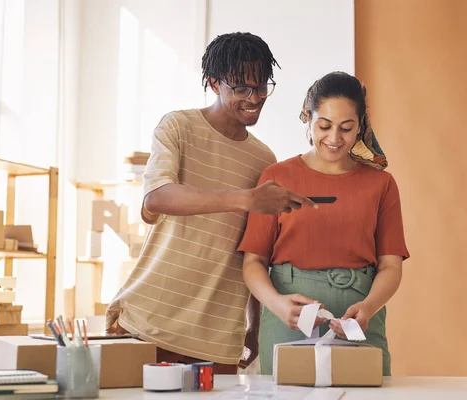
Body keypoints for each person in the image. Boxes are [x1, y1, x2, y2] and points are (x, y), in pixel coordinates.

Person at [105, 32, 316, 374]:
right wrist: (246, 199)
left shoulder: (263, 158)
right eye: (241, 88)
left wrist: (254, 326)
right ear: (214, 84)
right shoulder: (178, 126)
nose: (254, 97)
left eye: (261, 86)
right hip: (151, 322)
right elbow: (158, 196)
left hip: (218, 339)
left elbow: (254, 253)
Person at [237, 71, 410, 376]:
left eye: (346, 128)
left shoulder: (381, 185)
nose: (334, 138)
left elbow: (391, 267)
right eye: (324, 125)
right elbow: (253, 262)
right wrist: (277, 306)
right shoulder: (276, 178)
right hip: (287, 320)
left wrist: (368, 308)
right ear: (308, 118)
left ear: (360, 127)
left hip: (359, 321)